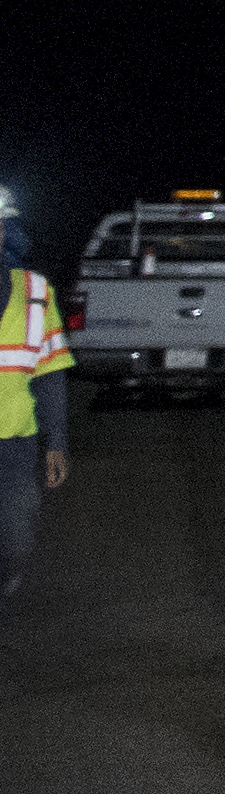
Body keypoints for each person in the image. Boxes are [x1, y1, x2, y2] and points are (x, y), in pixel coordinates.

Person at [2, 206, 68, 607]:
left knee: (14, 537)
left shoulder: (37, 293)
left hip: (15, 443)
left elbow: (50, 374)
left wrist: (57, 439)